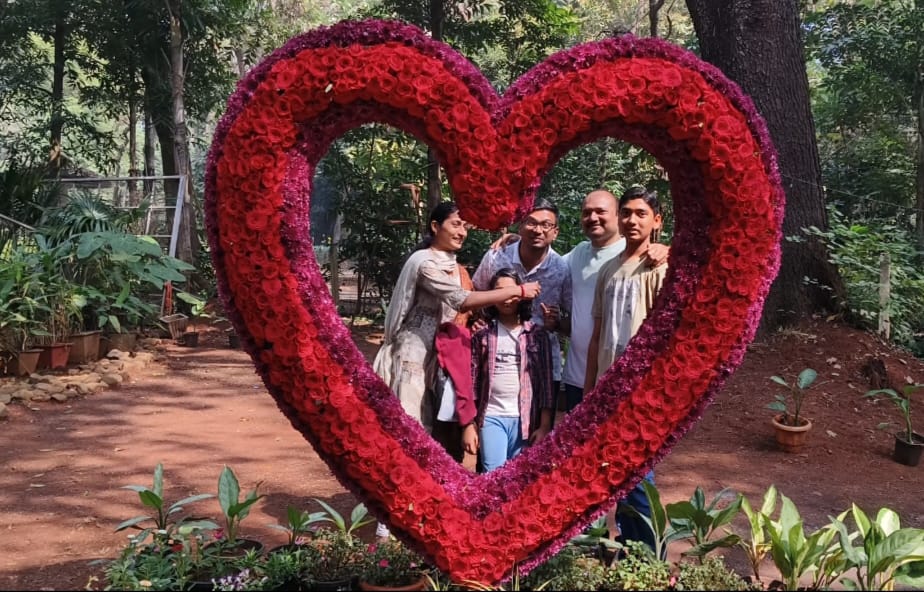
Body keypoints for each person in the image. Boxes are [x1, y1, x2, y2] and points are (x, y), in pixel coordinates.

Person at [371, 201, 542, 540]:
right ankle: (387, 524)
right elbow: (462, 300)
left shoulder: (451, 264)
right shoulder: (424, 262)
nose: (462, 231)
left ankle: (418, 513)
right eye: (456, 224)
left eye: (466, 226)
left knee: (433, 438)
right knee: (409, 438)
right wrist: (517, 290)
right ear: (435, 227)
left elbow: (469, 300)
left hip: (437, 358)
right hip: (411, 358)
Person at [584, 186, 668, 552]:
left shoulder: (660, 267)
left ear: (656, 221)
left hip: (642, 394)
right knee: (608, 474)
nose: (632, 220)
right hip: (606, 391)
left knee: (637, 477)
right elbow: (597, 334)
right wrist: (589, 392)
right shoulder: (608, 270)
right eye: (628, 213)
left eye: (641, 213)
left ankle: (649, 559)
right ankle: (622, 553)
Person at [472, 198, 571, 400]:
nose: (537, 230)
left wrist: (555, 323)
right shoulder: (496, 258)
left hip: (541, 364)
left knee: (540, 428)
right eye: (531, 222)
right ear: (520, 225)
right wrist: (476, 319)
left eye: (546, 225)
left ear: (555, 232)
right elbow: (474, 293)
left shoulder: (561, 269)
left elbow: (572, 319)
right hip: (494, 357)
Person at [457, 268, 554, 472]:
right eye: (500, 291)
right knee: (493, 475)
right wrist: (469, 424)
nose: (507, 298)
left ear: (522, 294)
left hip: (525, 419)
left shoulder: (537, 336)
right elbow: (472, 381)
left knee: (518, 479)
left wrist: (544, 426)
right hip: (491, 416)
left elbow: (546, 386)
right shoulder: (483, 335)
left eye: (512, 291)